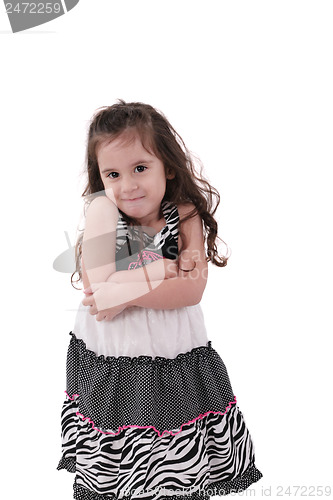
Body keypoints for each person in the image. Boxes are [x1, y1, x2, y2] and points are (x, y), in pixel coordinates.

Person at [57, 100, 263, 499]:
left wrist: (124, 291)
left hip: (173, 352)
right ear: (100, 179)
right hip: (114, 357)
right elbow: (100, 289)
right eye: (113, 174)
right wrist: (158, 270)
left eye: (140, 168)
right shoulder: (103, 210)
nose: (128, 185)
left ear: (167, 167)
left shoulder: (184, 215)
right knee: (120, 453)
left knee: (172, 457)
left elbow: (191, 289)